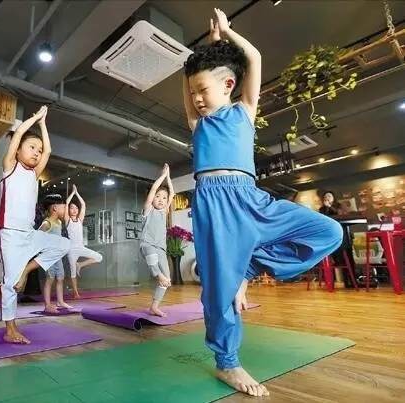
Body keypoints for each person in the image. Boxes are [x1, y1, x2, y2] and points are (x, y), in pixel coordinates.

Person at [182, 8, 343, 397]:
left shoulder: (244, 111)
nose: (197, 98)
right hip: (214, 206)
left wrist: (226, 34)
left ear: (228, 85)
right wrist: (202, 54)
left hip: (252, 199)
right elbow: (188, 81)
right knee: (219, 291)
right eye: (193, 92)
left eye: (203, 90)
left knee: (329, 231)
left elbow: (253, 57)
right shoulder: (197, 124)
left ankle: (248, 270)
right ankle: (227, 363)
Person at [0, 105, 70, 344]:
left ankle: (26, 270)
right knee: (10, 284)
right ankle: (10, 329)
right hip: (9, 233)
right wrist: (35, 118)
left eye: (38, 150)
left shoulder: (33, 174)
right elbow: (18, 134)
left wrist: (44, 125)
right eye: (31, 148)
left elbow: (49, 150)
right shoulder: (10, 167)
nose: (37, 153)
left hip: (29, 233)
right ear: (17, 150)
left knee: (63, 244)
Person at [139, 163, 175, 317]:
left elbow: (172, 193)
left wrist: (168, 177)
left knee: (167, 279)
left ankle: (154, 307)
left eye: (164, 198)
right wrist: (162, 176)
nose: (161, 199)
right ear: (152, 198)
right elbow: (154, 189)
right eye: (158, 197)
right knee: (156, 265)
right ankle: (157, 275)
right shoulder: (148, 209)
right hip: (147, 244)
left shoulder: (164, 211)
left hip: (161, 248)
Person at [65, 185, 103, 298]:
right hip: (71, 250)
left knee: (99, 257)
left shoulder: (80, 220)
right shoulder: (67, 220)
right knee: (73, 273)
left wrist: (77, 193)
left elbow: (83, 204)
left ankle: (80, 265)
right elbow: (66, 203)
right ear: (69, 210)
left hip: (81, 247)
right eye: (72, 208)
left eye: (76, 208)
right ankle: (76, 293)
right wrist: (72, 193)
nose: (74, 210)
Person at [39, 193, 74, 313]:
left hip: (58, 257)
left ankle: (60, 301)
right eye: (63, 207)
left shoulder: (59, 222)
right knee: (50, 279)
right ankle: (47, 305)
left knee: (60, 278)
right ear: (54, 208)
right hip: (49, 257)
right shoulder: (46, 223)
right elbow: (37, 238)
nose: (65, 210)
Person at [319, 190, 356, 288]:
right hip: (330, 236)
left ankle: (352, 281)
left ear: (333, 197)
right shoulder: (322, 209)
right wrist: (327, 208)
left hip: (343, 234)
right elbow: (322, 219)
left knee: (347, 257)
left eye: (329, 196)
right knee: (336, 259)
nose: (327, 198)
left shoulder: (339, 206)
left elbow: (341, 215)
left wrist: (330, 207)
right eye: (325, 196)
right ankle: (332, 282)